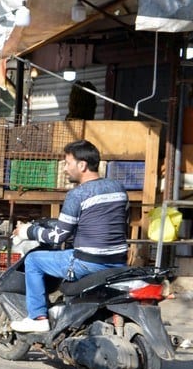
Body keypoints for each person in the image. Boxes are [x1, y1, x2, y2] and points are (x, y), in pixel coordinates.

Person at [9, 139, 128, 332]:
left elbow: (57, 237)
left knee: (33, 260)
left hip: (88, 263)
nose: (65, 169)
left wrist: (27, 231)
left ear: (82, 165)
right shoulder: (118, 188)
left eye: (68, 163)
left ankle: (37, 317)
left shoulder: (78, 194)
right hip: (118, 261)